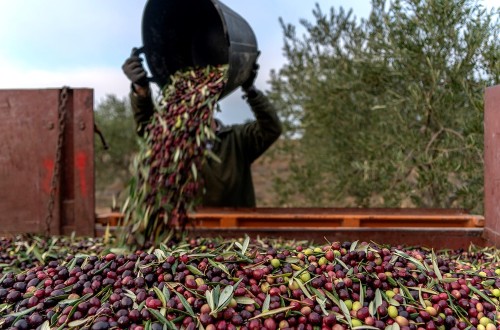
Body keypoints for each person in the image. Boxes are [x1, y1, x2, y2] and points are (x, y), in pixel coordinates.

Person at [122, 50, 282, 208]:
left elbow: (271, 128)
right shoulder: (173, 142)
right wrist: (141, 89)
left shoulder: (238, 139)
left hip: (237, 229)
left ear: (211, 101)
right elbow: (148, 129)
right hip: (190, 230)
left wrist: (250, 89)